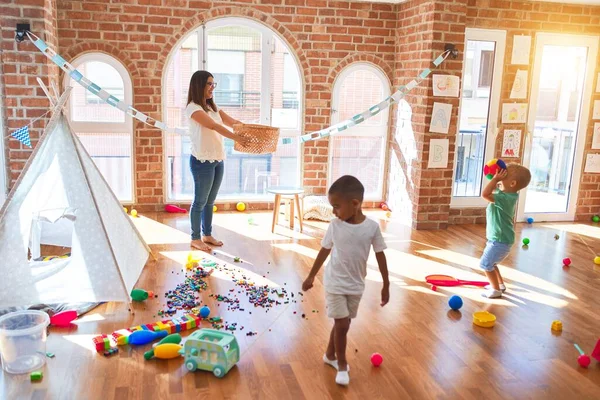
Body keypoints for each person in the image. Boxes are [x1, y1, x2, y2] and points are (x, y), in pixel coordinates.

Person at [302, 175, 390, 386]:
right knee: (341, 323)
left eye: (336, 206)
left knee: (345, 322)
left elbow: (380, 255)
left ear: (355, 204)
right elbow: (324, 250)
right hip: (334, 282)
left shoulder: (371, 228)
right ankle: (342, 364)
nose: (333, 212)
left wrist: (386, 285)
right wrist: (311, 275)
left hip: (356, 284)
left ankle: (330, 355)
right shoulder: (335, 226)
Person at [185, 70, 249, 252]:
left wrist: (248, 129)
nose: (213, 87)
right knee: (200, 201)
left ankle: (207, 234)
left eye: (214, 84)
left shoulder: (213, 107)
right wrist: (237, 138)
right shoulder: (193, 108)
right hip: (202, 161)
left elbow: (231, 122)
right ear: (199, 85)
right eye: (209, 84)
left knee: (210, 201)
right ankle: (195, 238)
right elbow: (213, 126)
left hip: (217, 159)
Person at [480, 163, 531, 298]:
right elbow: (493, 192)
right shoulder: (507, 195)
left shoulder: (505, 198)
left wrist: (495, 179)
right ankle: (500, 285)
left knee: (486, 264)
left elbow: (485, 194)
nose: (500, 178)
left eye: (504, 177)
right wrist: (496, 179)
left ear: (512, 183)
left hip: (499, 240)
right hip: (499, 239)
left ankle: (495, 290)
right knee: (493, 263)